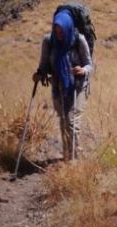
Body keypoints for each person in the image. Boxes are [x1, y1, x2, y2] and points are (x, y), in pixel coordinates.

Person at [33, 9, 93, 160]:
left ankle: (73, 159)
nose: (59, 34)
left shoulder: (78, 40)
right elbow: (44, 65)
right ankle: (67, 155)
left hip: (78, 86)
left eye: (61, 31)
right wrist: (39, 74)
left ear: (68, 27)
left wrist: (82, 70)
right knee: (63, 120)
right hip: (58, 86)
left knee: (71, 121)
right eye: (56, 30)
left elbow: (89, 65)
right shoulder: (49, 41)